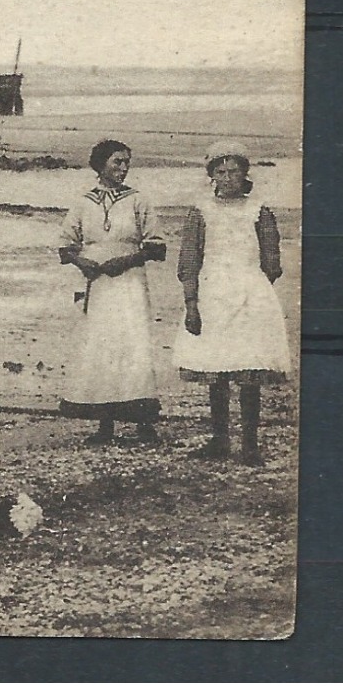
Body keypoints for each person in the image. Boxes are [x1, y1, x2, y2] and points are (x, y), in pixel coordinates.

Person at [175, 142, 291, 465]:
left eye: (234, 171)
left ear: (245, 174)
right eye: (220, 172)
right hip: (213, 295)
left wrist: (254, 290)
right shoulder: (200, 211)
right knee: (218, 367)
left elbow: (272, 259)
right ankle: (220, 440)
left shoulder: (259, 210)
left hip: (250, 295)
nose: (227, 178)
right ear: (211, 175)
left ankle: (250, 445)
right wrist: (192, 303)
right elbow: (189, 260)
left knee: (249, 369)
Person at [56, 139, 167, 446]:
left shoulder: (138, 201)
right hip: (99, 285)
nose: (123, 168)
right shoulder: (83, 202)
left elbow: (156, 247)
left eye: (126, 162)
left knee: (134, 346)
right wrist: (84, 263)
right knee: (101, 348)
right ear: (101, 164)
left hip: (129, 282)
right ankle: (105, 424)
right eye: (117, 162)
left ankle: (144, 422)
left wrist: (127, 260)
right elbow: (65, 245)